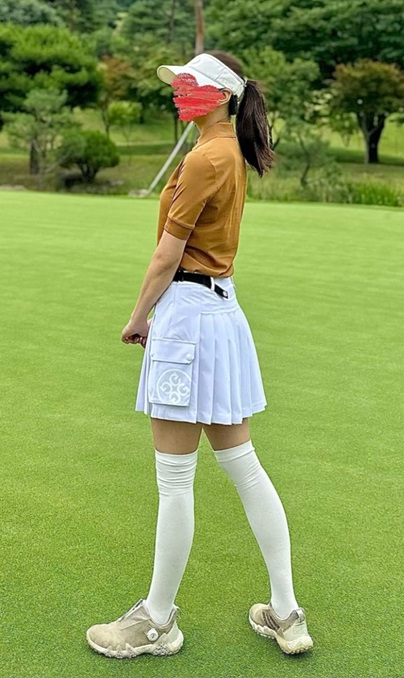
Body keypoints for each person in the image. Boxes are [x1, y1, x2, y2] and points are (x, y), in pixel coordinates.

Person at [86, 50, 313, 659]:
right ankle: (286, 612)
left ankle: (156, 621)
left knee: (175, 479)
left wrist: (138, 318)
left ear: (217, 94)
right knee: (244, 467)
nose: (177, 92)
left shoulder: (205, 156)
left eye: (187, 84)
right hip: (220, 315)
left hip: (188, 318)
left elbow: (168, 253)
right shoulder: (228, 151)